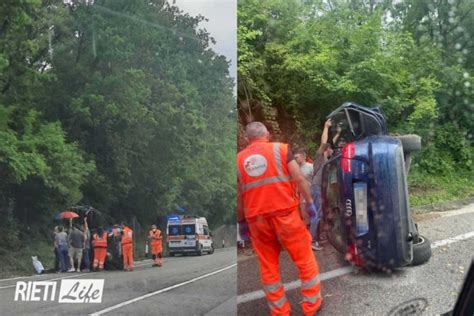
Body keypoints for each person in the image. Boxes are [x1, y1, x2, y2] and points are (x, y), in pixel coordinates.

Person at [237, 122, 322, 316]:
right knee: (304, 258)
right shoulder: (281, 149)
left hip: (257, 220)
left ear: (247, 138)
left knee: (268, 265)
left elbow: (240, 195)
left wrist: (241, 221)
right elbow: (299, 178)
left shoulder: (238, 160)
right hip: (285, 215)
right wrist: (309, 203)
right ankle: (311, 306)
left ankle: (280, 311)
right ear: (266, 134)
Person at [310, 119, 335, 251]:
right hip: (316, 188)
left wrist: (338, 133)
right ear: (327, 150)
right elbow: (324, 142)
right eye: (331, 150)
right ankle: (312, 240)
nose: (332, 152)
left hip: (319, 188)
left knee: (319, 214)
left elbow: (332, 143)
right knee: (317, 215)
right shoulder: (320, 156)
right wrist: (326, 126)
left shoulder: (326, 159)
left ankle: (316, 237)